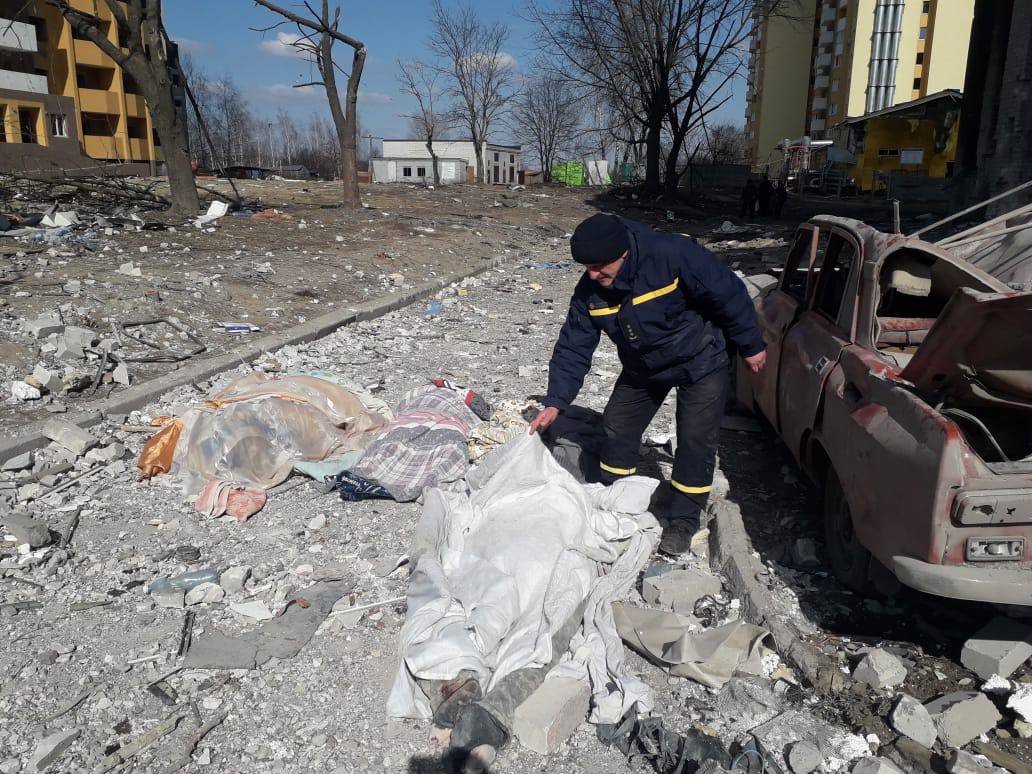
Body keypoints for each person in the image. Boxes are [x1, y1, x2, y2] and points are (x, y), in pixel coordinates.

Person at [529, 213, 767, 556]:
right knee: (616, 428)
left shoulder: (673, 255)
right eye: (586, 268)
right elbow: (574, 345)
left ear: (623, 253)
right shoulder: (589, 291)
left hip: (701, 360)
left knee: (696, 439)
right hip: (644, 367)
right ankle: (618, 495)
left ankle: (683, 520)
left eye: (598, 267)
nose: (592, 275)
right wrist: (556, 401)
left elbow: (728, 293)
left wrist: (751, 345)